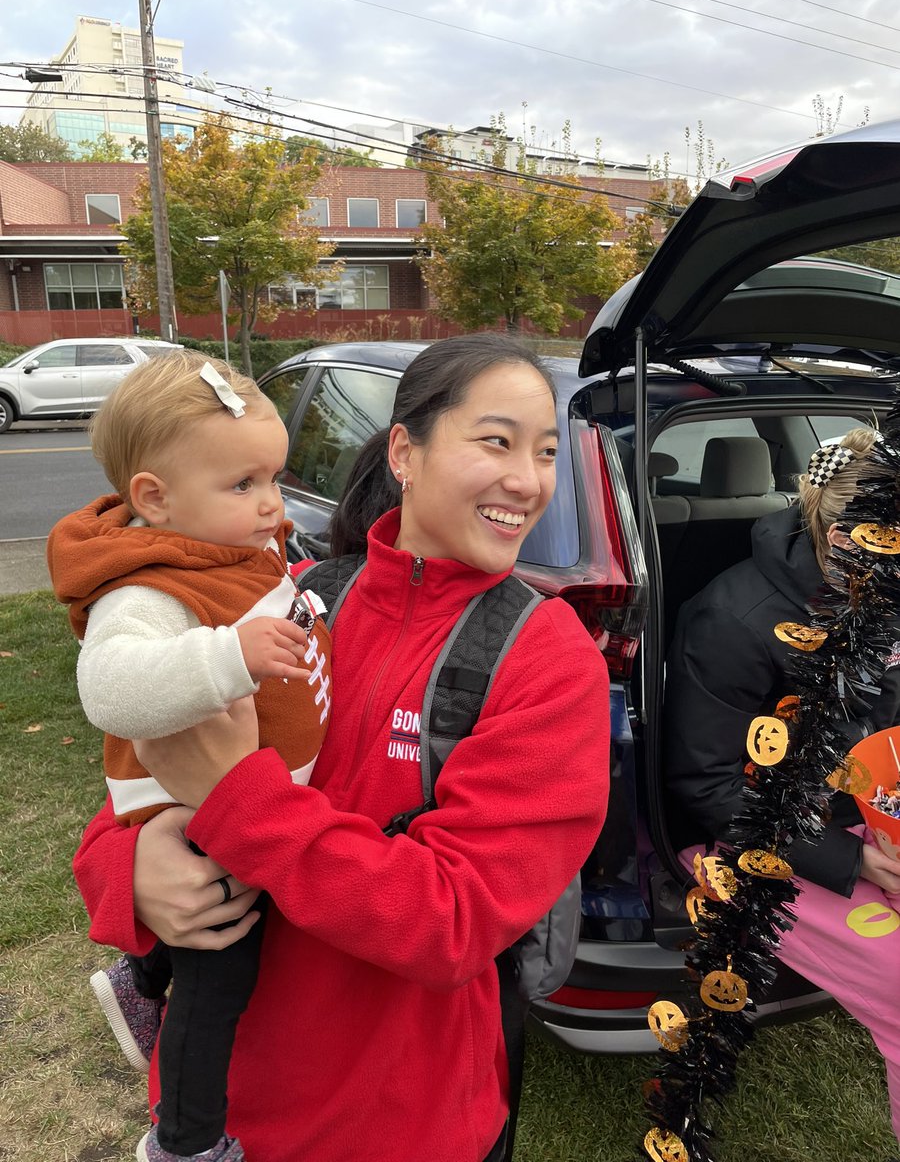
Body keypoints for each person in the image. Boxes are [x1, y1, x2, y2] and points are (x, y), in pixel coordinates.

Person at [70, 332, 610, 1162]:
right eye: (496, 441)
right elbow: (144, 772)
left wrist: (240, 805)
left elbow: (454, 919)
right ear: (405, 451)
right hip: (218, 1109)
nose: (529, 480)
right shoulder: (296, 601)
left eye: (545, 452)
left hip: (402, 1123)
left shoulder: (547, 659)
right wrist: (128, 874)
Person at [47, 350, 332, 1162]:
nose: (273, 503)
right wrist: (228, 658)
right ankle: (187, 1141)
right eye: (244, 485)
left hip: (243, 797)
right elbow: (110, 688)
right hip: (199, 815)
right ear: (154, 498)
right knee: (221, 978)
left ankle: (138, 985)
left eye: (274, 478)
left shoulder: (223, 543)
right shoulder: (146, 587)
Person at [663, 426, 900, 1145]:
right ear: (823, 520)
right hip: (754, 841)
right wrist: (852, 859)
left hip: (866, 818)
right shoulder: (734, 620)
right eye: (870, 545)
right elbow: (704, 785)